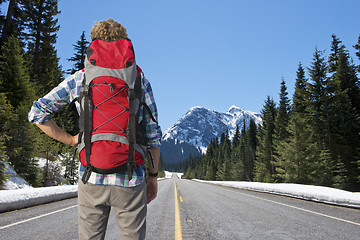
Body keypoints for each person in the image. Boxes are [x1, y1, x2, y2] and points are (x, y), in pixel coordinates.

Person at [28, 19, 162, 240]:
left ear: (94, 45)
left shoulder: (81, 78)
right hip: (131, 178)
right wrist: (153, 176)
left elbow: (38, 112)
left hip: (91, 175)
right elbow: (153, 136)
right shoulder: (140, 80)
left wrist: (71, 140)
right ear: (124, 45)